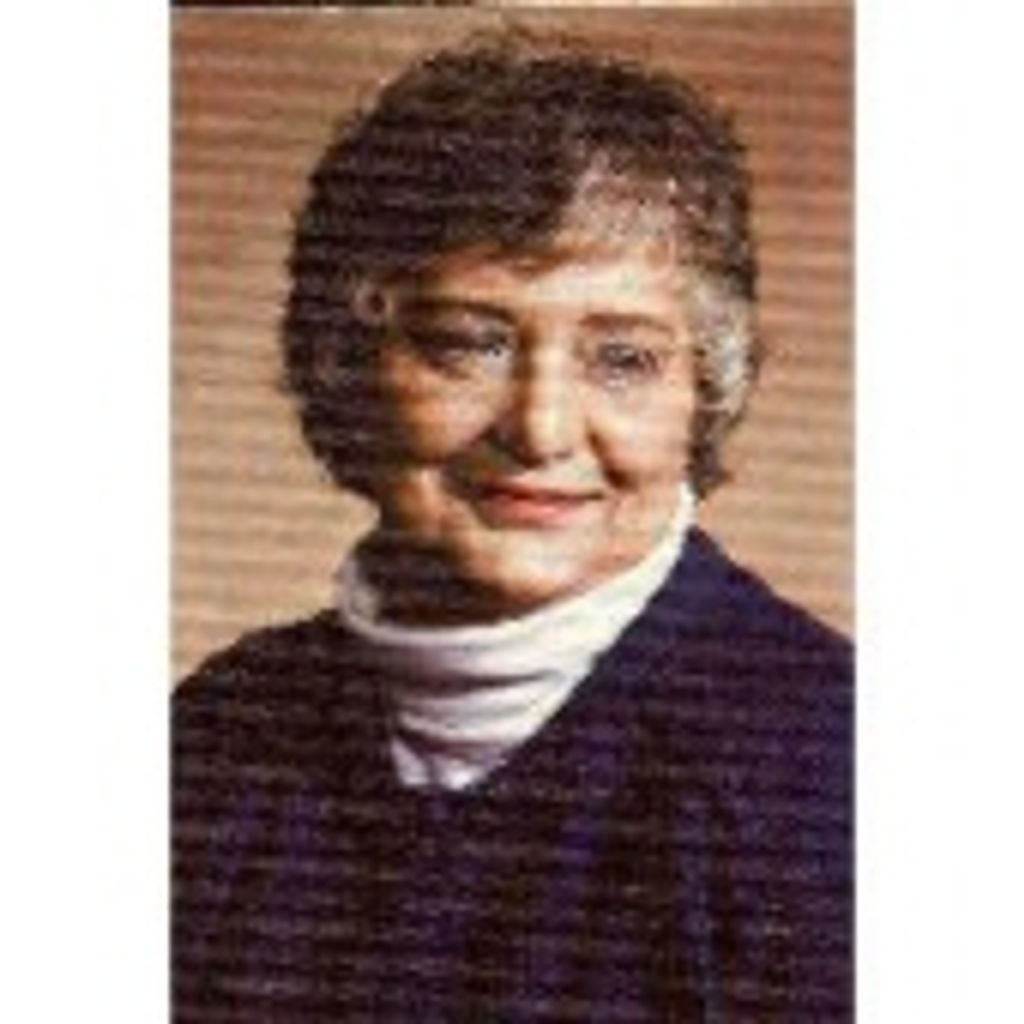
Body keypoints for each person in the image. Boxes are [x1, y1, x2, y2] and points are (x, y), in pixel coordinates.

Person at [174, 31, 852, 1023]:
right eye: (469, 344)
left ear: (704, 390)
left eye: (622, 359)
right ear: (345, 363)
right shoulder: (220, 733)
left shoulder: (830, 774)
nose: (540, 429)